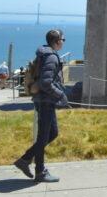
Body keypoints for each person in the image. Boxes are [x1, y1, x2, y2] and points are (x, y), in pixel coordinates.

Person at [13, 30, 69, 183]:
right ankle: (39, 171)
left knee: (52, 133)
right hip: (46, 101)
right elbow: (46, 83)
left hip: (46, 101)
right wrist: (61, 95)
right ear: (56, 41)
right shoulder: (51, 57)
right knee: (44, 136)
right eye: (63, 39)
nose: (63, 42)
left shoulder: (46, 55)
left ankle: (25, 160)